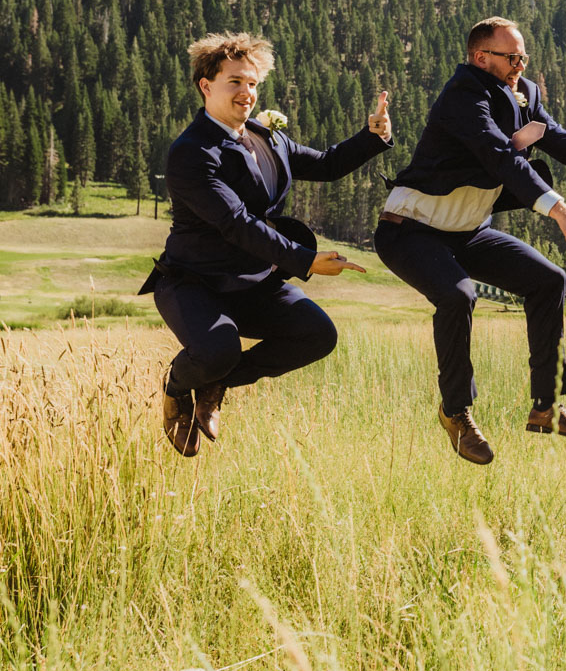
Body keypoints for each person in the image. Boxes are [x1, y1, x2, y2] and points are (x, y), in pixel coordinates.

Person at [375, 16, 566, 464]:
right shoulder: (463, 97)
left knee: (547, 280)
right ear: (481, 58)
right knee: (459, 296)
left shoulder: (527, 93)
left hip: (469, 231)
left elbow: (562, 141)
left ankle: (546, 407)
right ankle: (456, 413)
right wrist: (559, 209)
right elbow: (500, 158)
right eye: (511, 57)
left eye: (523, 57)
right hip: (410, 229)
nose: (520, 65)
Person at [145, 32, 392, 457]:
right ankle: (179, 385)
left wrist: (373, 137)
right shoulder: (192, 151)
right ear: (207, 85)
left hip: (253, 280)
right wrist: (307, 261)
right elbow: (234, 223)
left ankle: (217, 382)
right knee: (216, 350)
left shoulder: (267, 137)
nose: (247, 93)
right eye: (235, 82)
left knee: (317, 335)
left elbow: (328, 165)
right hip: (194, 283)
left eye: (253, 83)